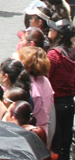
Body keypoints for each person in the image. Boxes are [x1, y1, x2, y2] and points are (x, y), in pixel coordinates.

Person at [46, 18, 75, 160]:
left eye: (53, 29)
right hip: (70, 102)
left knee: (56, 144)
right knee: (66, 143)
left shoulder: (53, 55)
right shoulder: (73, 54)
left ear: (60, 35)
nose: (50, 30)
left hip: (55, 104)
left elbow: (46, 78)